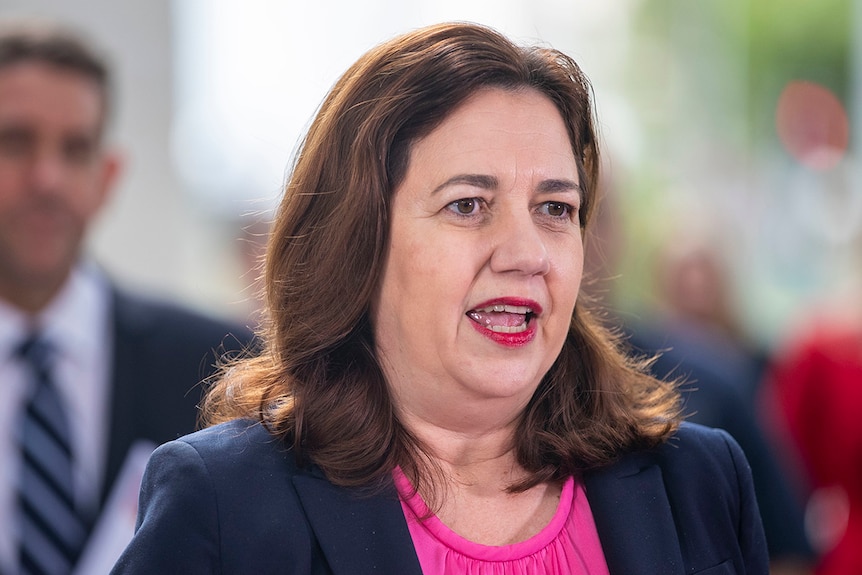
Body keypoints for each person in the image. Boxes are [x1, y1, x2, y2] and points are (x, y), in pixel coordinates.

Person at [112, 22, 767, 574]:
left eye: (555, 207)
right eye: (468, 204)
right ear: (360, 241)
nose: (527, 252)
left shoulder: (701, 481)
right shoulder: (225, 502)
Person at [0, 21, 253, 575]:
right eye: (15, 142)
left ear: (106, 177)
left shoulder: (221, 365)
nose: (46, 178)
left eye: (75, 149)